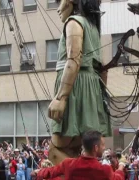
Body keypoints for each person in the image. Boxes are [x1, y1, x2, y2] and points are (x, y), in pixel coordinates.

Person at [47, 0, 112, 165]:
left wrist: (61, 98)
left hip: (74, 89)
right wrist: (100, 98)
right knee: (76, 150)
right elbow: (102, 69)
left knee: (57, 150)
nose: (58, 8)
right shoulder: (93, 27)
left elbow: (73, 61)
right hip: (91, 91)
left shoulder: (74, 23)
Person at [31, 130, 126, 180]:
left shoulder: (68, 164)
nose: (104, 147)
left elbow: (51, 171)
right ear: (96, 148)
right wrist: (121, 165)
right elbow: (118, 178)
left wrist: (38, 172)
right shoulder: (103, 170)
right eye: (103, 145)